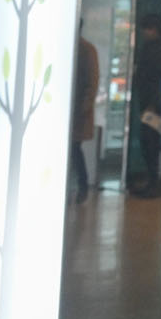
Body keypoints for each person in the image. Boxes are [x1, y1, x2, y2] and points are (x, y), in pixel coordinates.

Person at [129, 12, 161, 196]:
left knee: (151, 141)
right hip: (152, 103)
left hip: (154, 105)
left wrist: (153, 104)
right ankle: (153, 179)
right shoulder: (155, 48)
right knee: (149, 140)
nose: (144, 33)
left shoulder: (159, 50)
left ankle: (154, 181)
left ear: (153, 29)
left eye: (146, 29)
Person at [70, 28, 100, 203]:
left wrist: (85, 107)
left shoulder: (87, 50)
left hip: (79, 111)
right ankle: (78, 186)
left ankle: (82, 186)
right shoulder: (79, 48)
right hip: (74, 110)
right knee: (73, 150)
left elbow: (92, 82)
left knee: (74, 149)